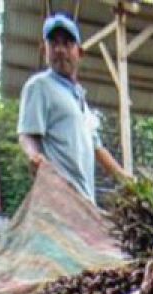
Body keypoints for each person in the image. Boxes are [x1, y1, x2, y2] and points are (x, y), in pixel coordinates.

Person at [18, 13, 131, 202]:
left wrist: (125, 179)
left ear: (80, 52)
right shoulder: (40, 86)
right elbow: (27, 134)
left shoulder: (80, 99)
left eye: (67, 43)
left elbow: (97, 148)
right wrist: (34, 155)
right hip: (58, 199)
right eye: (53, 44)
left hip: (84, 202)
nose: (60, 50)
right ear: (44, 50)